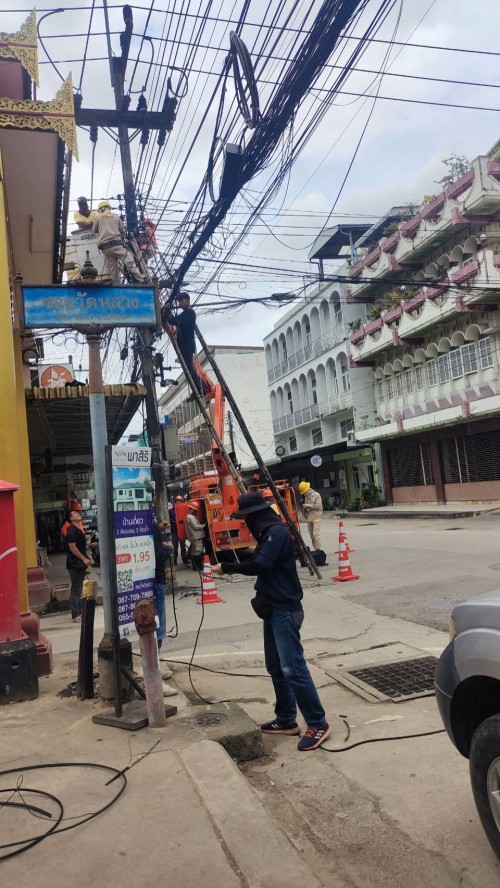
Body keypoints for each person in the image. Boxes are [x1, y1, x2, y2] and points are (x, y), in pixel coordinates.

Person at [212, 492, 331, 751]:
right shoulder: (268, 534)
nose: (246, 524)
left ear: (256, 516)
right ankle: (287, 718)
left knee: (293, 668)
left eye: (246, 519)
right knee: (275, 666)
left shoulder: (275, 533)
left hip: (285, 610)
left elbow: (261, 564)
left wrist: (227, 567)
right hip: (273, 608)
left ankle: (318, 723)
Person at [151, 517, 177, 697]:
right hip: (155, 581)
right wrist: (168, 548)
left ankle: (156, 666)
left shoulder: (143, 524)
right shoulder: (149, 525)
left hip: (148, 581)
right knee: (157, 629)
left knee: (155, 629)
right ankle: (155, 674)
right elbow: (156, 557)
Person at [92, 200, 145, 286]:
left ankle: (116, 286)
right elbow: (123, 232)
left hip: (106, 248)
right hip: (116, 244)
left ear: (102, 209)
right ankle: (140, 277)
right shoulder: (116, 217)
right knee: (128, 259)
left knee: (113, 269)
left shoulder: (99, 217)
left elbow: (94, 230)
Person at [169, 292, 203, 400]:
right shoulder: (185, 314)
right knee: (188, 368)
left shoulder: (190, 313)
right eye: (179, 302)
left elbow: (177, 321)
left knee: (189, 368)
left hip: (187, 345)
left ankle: (198, 389)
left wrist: (169, 317)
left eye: (181, 301)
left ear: (187, 300)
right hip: (184, 345)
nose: (179, 304)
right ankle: (198, 389)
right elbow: (175, 320)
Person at [66, 509, 93, 622]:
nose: (78, 514)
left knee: (80, 589)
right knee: (76, 589)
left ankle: (80, 611)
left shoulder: (78, 530)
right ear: (71, 518)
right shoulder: (72, 531)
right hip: (74, 564)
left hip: (80, 564)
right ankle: (76, 614)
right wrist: (83, 559)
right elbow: (72, 547)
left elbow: (80, 547)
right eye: (75, 514)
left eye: (78, 513)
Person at [299, 481, 323, 550]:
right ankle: (316, 548)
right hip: (309, 518)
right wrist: (304, 510)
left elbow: (318, 506)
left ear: (307, 489)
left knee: (316, 535)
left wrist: (307, 505)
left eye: (304, 492)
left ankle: (318, 550)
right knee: (312, 536)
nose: (303, 494)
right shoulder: (306, 497)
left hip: (316, 517)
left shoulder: (316, 495)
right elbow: (306, 509)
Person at [184, 501, 205, 571]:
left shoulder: (188, 517)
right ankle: (198, 567)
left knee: (194, 551)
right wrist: (203, 525)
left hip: (193, 537)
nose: (196, 512)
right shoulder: (191, 517)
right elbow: (196, 527)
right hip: (196, 537)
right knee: (198, 551)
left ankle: (195, 567)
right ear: (193, 510)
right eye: (196, 510)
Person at [169, 496, 189, 566]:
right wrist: (173, 522)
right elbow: (169, 520)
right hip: (174, 531)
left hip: (181, 530)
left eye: (179, 502)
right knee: (175, 547)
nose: (177, 503)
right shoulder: (170, 511)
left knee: (183, 546)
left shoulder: (183, 510)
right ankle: (174, 560)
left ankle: (185, 559)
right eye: (176, 502)